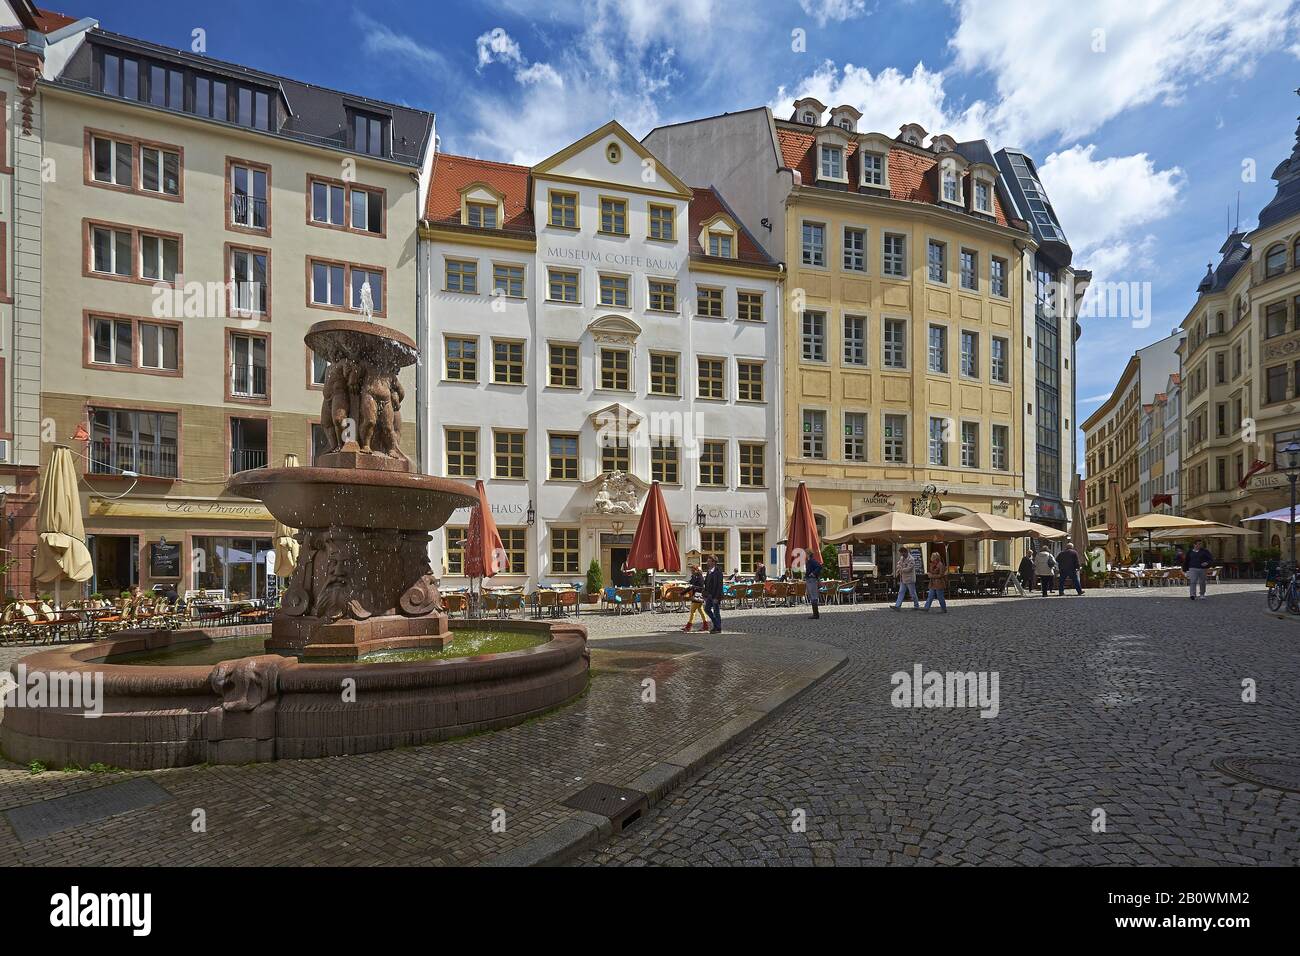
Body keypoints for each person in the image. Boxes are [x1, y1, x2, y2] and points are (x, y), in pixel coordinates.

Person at [891, 546, 920, 610]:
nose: (902, 555)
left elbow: (909, 569)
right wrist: (898, 568)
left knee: (912, 593)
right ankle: (897, 606)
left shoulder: (911, 559)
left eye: (903, 553)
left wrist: (901, 569)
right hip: (903, 579)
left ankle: (916, 605)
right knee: (901, 592)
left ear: (906, 552)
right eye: (901, 554)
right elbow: (899, 564)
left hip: (910, 579)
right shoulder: (902, 558)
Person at [703, 553, 724, 633]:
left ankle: (718, 628)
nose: (707, 563)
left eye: (708, 561)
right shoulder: (709, 572)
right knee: (707, 609)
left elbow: (719, 585)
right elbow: (706, 583)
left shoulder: (718, 571)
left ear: (713, 562)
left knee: (716, 611)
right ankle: (716, 624)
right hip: (709, 595)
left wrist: (717, 597)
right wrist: (705, 594)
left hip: (715, 595)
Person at [682, 565, 706, 632]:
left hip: (697, 596)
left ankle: (688, 627)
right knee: (701, 611)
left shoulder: (700, 577)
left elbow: (701, 587)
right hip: (696, 596)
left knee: (692, 611)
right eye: (691, 570)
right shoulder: (695, 576)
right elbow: (691, 584)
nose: (691, 571)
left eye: (693, 570)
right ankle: (705, 625)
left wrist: (693, 587)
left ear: (697, 570)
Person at [805, 553, 823, 619]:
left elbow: (819, 566)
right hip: (810, 580)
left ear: (808, 554)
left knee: (813, 596)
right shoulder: (809, 561)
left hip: (811, 580)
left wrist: (813, 573)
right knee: (812, 596)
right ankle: (815, 614)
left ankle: (816, 614)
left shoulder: (812, 561)